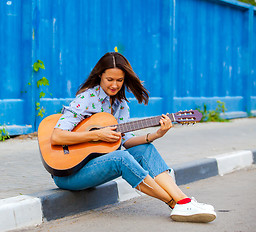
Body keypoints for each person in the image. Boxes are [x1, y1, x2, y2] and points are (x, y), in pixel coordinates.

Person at [50, 52, 216, 223]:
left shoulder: (120, 105)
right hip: (69, 174)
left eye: (120, 81)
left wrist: (156, 134)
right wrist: (97, 134)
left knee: (145, 149)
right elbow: (57, 136)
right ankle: (176, 203)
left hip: (95, 168)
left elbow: (127, 141)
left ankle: (184, 200)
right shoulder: (86, 99)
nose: (114, 85)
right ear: (100, 75)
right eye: (110, 79)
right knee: (120, 158)